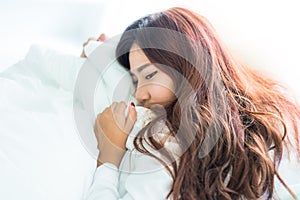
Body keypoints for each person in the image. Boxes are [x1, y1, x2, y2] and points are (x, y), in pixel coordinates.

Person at [84, 7, 300, 200]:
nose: (139, 95)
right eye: (134, 80)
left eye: (148, 76)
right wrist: (99, 52)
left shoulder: (165, 139)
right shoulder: (275, 117)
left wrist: (109, 158)